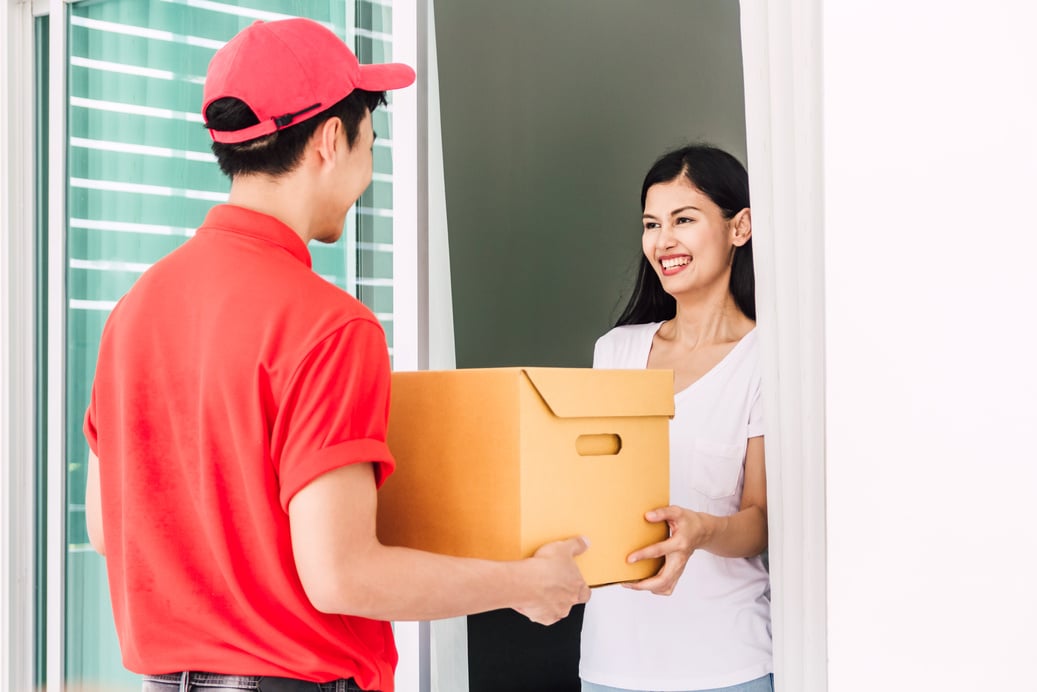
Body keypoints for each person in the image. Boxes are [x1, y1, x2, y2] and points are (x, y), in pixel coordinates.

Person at [83, 17, 590, 692]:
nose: (368, 172)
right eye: (369, 144)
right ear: (329, 140)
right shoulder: (327, 326)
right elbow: (343, 576)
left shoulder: (133, 311)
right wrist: (526, 582)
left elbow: (105, 526)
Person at [579, 145, 772, 692]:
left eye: (683, 220)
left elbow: (760, 522)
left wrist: (702, 529)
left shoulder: (765, 359)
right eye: (651, 224)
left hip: (728, 664)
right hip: (611, 662)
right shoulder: (614, 351)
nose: (663, 242)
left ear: (740, 228)